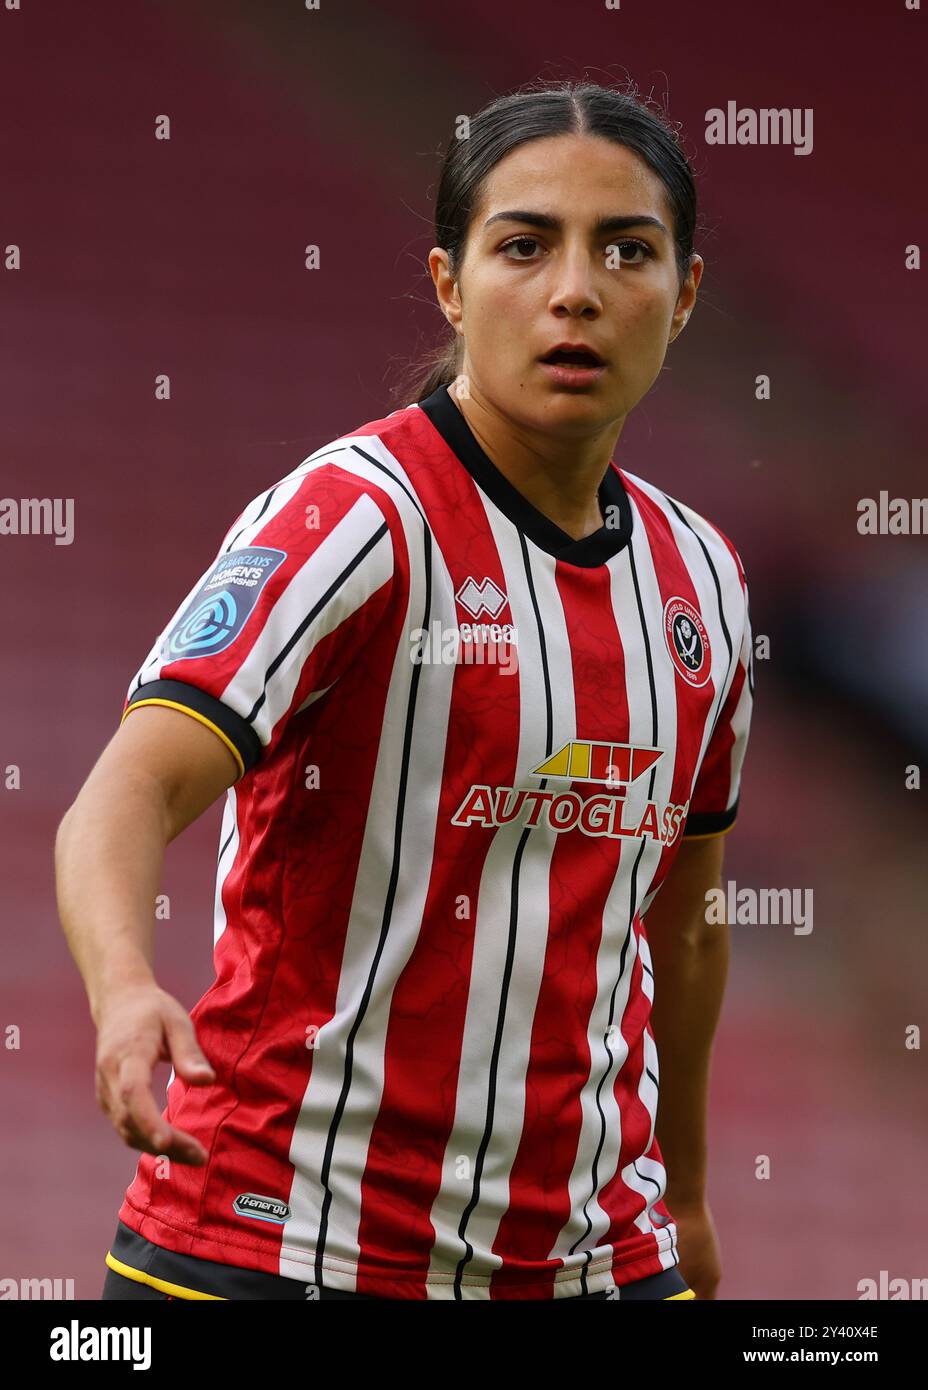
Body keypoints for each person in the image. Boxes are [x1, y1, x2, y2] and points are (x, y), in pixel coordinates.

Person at [55, 77, 754, 1302]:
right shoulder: (356, 519)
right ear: (449, 283)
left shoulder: (703, 577)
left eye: (626, 250)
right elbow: (125, 789)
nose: (574, 290)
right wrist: (122, 991)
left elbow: (685, 915)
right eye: (523, 246)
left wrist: (684, 1192)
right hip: (272, 1246)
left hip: (597, 1261)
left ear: (683, 296)